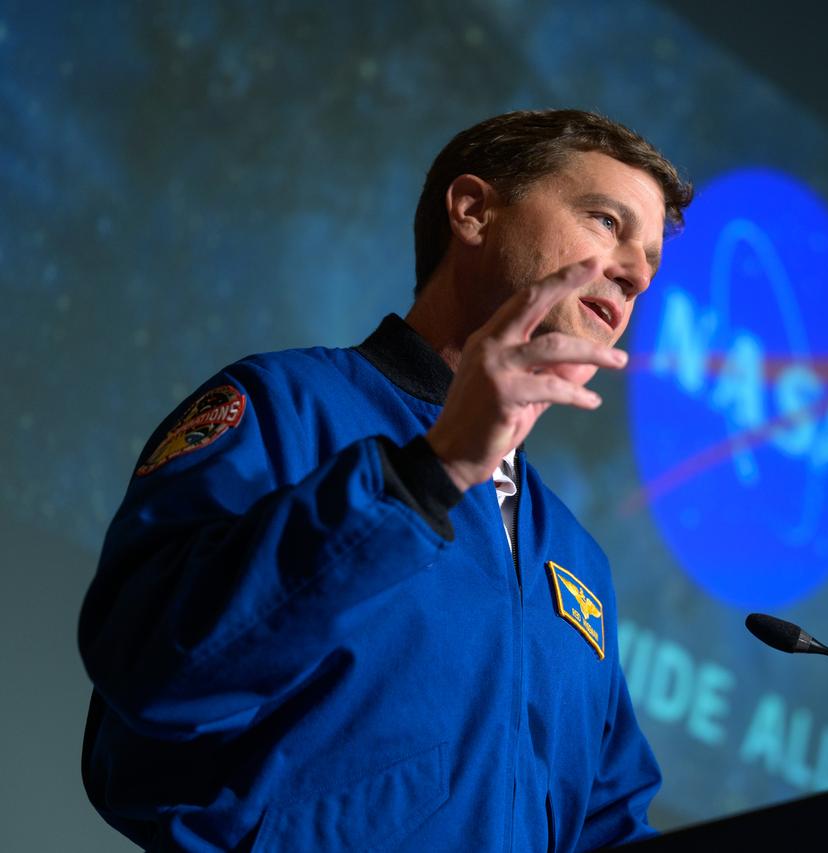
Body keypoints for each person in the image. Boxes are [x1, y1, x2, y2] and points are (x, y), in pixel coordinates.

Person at [78, 109, 694, 852]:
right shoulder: (284, 405)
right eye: (605, 221)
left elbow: (607, 818)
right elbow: (151, 666)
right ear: (472, 212)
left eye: (650, 262)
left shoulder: (576, 556)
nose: (634, 271)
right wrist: (426, 477)